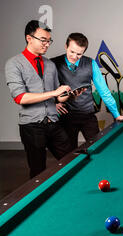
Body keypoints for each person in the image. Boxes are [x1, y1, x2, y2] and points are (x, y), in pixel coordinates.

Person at [5, 20, 73, 178]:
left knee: (72, 159)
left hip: (54, 123)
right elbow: (20, 98)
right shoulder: (14, 64)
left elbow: (58, 98)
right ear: (29, 38)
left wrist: (69, 94)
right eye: (43, 40)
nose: (47, 44)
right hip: (32, 127)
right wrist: (54, 93)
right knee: (38, 172)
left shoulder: (50, 65)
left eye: (49, 41)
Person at [51, 33, 123, 150]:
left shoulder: (90, 63)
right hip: (65, 116)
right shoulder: (53, 63)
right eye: (72, 51)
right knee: (69, 153)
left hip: (87, 115)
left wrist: (116, 115)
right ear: (66, 46)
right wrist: (53, 104)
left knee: (97, 148)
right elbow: (44, 89)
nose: (74, 56)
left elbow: (104, 91)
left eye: (79, 54)